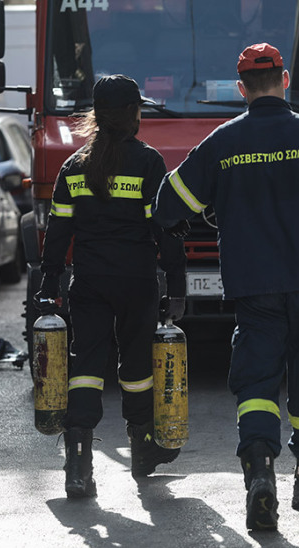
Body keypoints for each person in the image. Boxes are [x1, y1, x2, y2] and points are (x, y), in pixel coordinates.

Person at [152, 43, 299, 531]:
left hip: (253, 288)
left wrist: (196, 216)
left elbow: (169, 202)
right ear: (285, 80)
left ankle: (260, 473)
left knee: (256, 383)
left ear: (242, 88)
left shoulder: (223, 142)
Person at [36, 74, 187, 499]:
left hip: (89, 283)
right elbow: (166, 230)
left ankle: (78, 465)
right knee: (137, 369)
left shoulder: (73, 166)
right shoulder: (148, 163)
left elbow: (58, 232)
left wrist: (50, 283)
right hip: (137, 283)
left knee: (86, 366)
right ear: (132, 113)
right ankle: (142, 450)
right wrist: (176, 285)